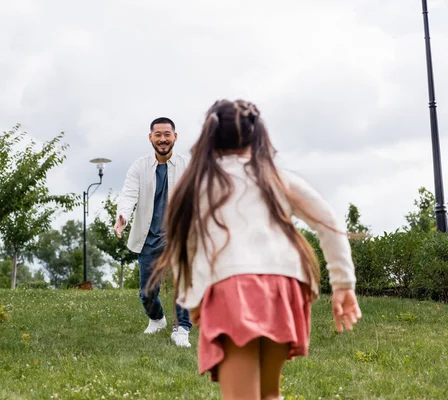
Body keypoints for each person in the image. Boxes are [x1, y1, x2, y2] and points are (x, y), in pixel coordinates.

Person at [149, 100, 362, 399]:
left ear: (209, 137)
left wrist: (193, 300)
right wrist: (343, 285)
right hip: (284, 288)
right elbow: (328, 221)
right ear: (258, 135)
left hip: (232, 288)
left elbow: (188, 246)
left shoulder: (199, 183)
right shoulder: (276, 177)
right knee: (269, 393)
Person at [114, 117, 193, 347]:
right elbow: (128, 195)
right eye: (158, 134)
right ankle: (157, 319)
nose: (163, 139)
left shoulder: (187, 166)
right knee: (146, 293)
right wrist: (123, 216)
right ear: (151, 137)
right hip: (150, 238)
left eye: (167, 134)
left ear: (175, 137)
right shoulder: (139, 167)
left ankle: (182, 329)